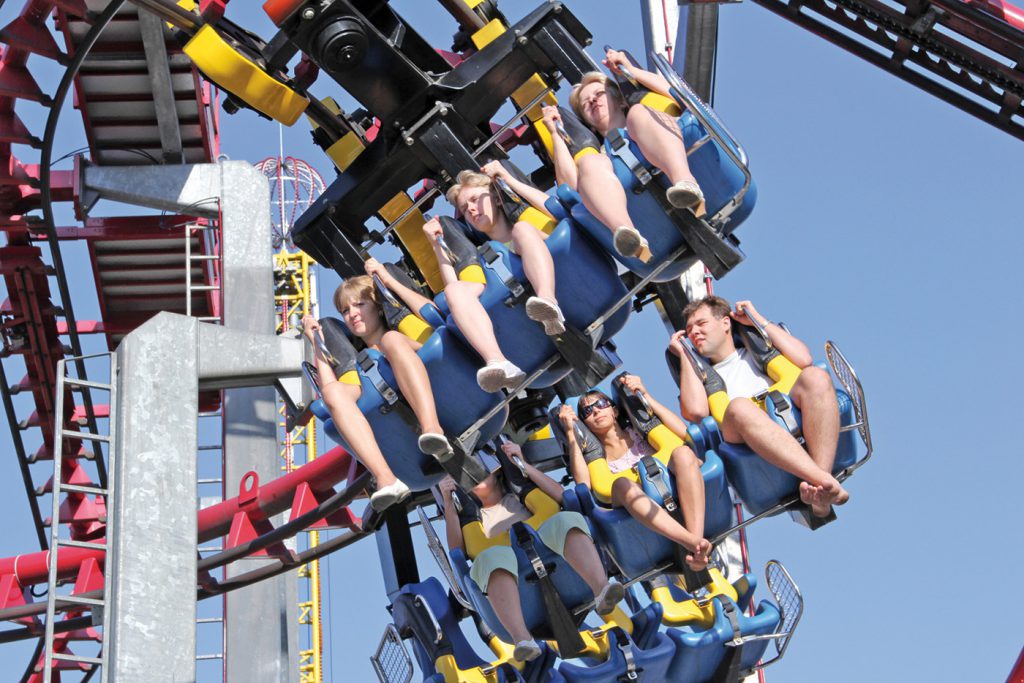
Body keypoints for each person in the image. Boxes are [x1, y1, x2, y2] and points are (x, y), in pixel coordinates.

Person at [439, 443, 624, 662]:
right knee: (490, 558)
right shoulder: (474, 520)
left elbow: (562, 496)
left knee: (564, 519)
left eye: (477, 469)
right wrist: (449, 503)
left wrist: (523, 465)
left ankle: (601, 589)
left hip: (558, 558)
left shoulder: (519, 496)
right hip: (514, 582)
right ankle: (522, 638)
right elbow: (456, 552)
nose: (474, 477)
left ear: (495, 470)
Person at [673, 295, 848, 517]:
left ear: (725, 322)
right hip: (743, 432)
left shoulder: (758, 346)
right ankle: (824, 480)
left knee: (816, 376)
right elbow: (696, 412)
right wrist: (684, 354)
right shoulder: (699, 374)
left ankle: (820, 494)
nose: (694, 332)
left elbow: (804, 359)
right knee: (739, 407)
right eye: (689, 331)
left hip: (788, 409)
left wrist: (758, 320)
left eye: (701, 324)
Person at [302, 271, 454, 511]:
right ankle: (385, 478)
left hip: (451, 392)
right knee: (332, 393)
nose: (352, 314)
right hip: (407, 448)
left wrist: (388, 280)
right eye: (344, 311)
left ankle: (432, 428)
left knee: (392, 341)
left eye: (359, 305)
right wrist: (317, 343)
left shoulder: (401, 336)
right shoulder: (360, 370)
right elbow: (332, 393)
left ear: (379, 307)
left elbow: (437, 322)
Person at [542, 47, 704, 262]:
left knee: (638, 114)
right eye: (584, 103)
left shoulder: (647, 116)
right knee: (591, 161)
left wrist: (631, 71)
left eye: (599, 94)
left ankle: (686, 183)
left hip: (684, 163)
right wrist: (555, 134)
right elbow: (568, 189)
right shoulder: (597, 160)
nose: (592, 101)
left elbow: (680, 97)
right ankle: (625, 232)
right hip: (650, 228)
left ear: (620, 100)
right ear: (586, 122)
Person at [416, 165, 565, 392]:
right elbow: (454, 291)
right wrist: (437, 245)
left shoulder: (527, 226)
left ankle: (548, 301)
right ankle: (498, 361)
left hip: (566, 287)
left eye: (475, 200)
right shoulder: (484, 263)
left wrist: (507, 179)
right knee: (455, 292)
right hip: (524, 329)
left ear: (495, 198)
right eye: (465, 209)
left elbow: (557, 209)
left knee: (523, 230)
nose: (472, 210)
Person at [558, 377, 712, 571]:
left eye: (601, 404)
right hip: (635, 514)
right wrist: (571, 433)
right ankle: (692, 542)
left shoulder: (640, 432)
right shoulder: (600, 461)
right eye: (588, 411)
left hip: (677, 484)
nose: (596, 410)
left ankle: (696, 544)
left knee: (683, 453)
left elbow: (685, 434)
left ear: (614, 411)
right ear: (585, 425)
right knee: (622, 484)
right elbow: (583, 484)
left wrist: (645, 396)